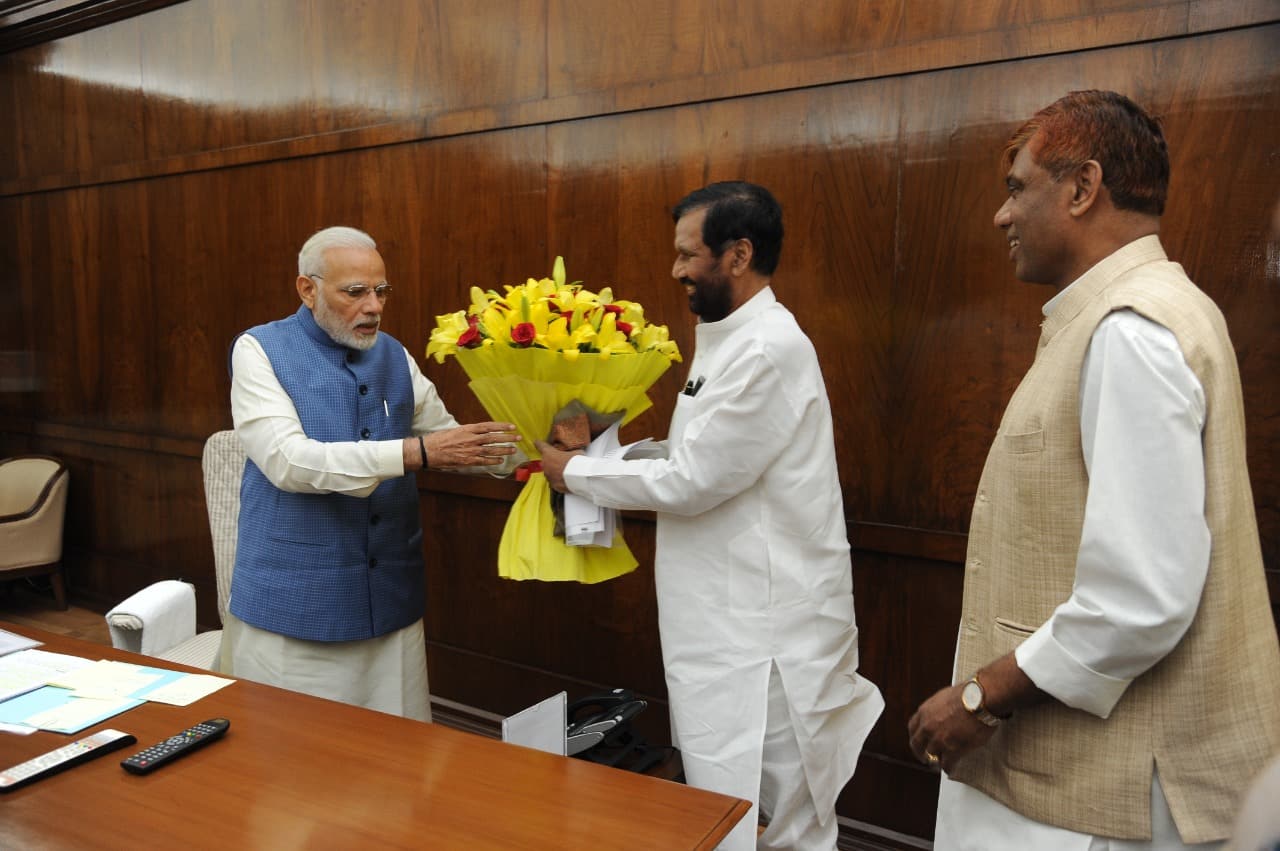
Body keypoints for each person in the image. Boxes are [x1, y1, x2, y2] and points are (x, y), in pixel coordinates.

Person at [907, 90, 1280, 850]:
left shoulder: (1130, 329)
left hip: (1095, 799)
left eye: (1017, 187)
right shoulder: (1146, 310)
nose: (1000, 217)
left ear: (1083, 188)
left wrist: (979, 696)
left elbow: (1139, 597)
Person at [538, 182, 884, 850]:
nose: (674, 270)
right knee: (725, 808)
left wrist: (574, 471)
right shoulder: (725, 337)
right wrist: (614, 445)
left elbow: (695, 479)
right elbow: (701, 453)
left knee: (782, 824)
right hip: (723, 625)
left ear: (738, 254)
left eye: (686, 254)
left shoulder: (769, 348)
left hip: (769, 637)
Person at [220, 225, 519, 722]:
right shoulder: (258, 349)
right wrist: (410, 454)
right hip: (298, 607)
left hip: (391, 605)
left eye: (381, 291)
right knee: (295, 770)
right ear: (307, 289)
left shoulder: (395, 354)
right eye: (355, 292)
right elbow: (287, 460)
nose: (374, 306)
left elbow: (449, 441)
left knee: (396, 766)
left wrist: (545, 451)